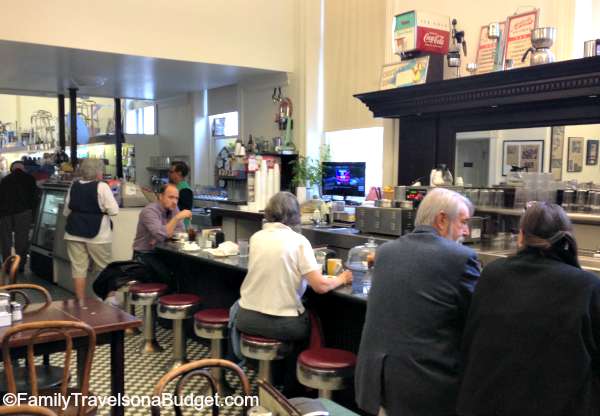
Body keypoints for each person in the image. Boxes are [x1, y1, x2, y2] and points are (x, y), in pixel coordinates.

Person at [457, 202, 600, 416]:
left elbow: (470, 340)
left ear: (521, 236)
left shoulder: (492, 274)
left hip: (484, 403)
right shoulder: (586, 285)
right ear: (567, 237)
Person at [355, 187, 480, 416]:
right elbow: (476, 317)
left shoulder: (385, 252)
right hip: (422, 387)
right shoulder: (461, 259)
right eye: (463, 222)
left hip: (375, 382)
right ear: (442, 220)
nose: (467, 231)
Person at [236, 191, 352, 394]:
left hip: (246, 318)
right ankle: (294, 391)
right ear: (294, 216)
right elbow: (320, 286)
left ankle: (267, 383)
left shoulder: (256, 237)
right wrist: (342, 279)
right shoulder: (298, 241)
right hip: (282, 325)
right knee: (311, 321)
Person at [64, 159, 119, 300]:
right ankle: (106, 301)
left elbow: (66, 211)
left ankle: (81, 302)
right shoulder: (102, 186)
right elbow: (114, 210)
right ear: (97, 172)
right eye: (101, 170)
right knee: (104, 268)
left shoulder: (74, 185)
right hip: (98, 233)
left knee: (78, 268)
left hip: (73, 232)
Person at [132, 183, 192, 286]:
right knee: (169, 278)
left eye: (176, 198)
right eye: (171, 197)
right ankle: (165, 299)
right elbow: (162, 235)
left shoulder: (173, 208)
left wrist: (166, 233)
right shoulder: (149, 211)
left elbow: (181, 233)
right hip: (145, 255)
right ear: (161, 196)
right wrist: (177, 218)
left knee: (187, 271)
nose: (174, 201)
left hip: (163, 253)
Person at [0, 161, 38, 271]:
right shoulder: (30, 179)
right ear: (23, 168)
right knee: (21, 239)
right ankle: (19, 266)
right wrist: (32, 212)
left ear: (12, 168)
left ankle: (7, 265)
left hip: (5, 213)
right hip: (23, 212)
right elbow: (34, 198)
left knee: (5, 239)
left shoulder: (5, 180)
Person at [168, 161, 193, 228]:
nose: (169, 174)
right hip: (173, 225)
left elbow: (183, 210)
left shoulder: (185, 190)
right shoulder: (174, 187)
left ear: (179, 173)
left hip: (181, 228)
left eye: (171, 172)